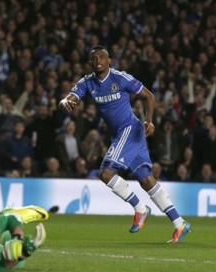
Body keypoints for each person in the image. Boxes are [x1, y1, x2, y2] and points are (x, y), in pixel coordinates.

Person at [58, 45, 191, 243]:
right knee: (146, 180)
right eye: (94, 58)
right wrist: (64, 102)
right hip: (121, 135)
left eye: (102, 57)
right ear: (90, 63)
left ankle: (139, 208)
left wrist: (150, 120)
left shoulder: (120, 78)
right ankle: (180, 223)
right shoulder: (87, 83)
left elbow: (148, 95)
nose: (98, 60)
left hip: (130, 129)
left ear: (109, 60)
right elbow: (71, 97)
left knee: (106, 173)